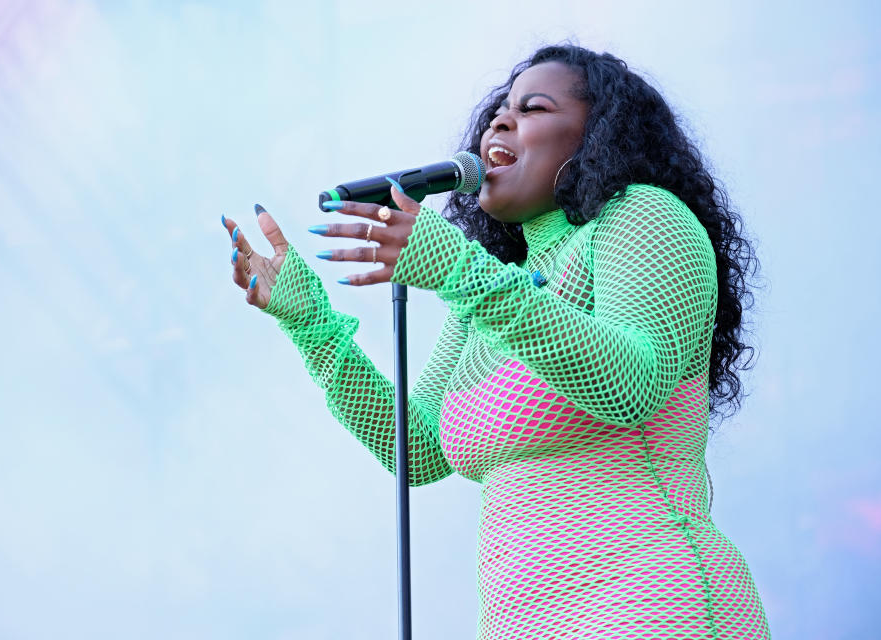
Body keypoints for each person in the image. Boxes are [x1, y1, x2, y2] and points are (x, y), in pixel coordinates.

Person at [222, 44, 769, 639]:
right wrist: (313, 326)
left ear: (596, 138)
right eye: (497, 112)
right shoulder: (490, 294)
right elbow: (418, 450)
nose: (498, 123)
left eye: (532, 109)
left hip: (653, 608)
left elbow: (629, 383)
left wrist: (464, 272)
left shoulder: (642, 217)